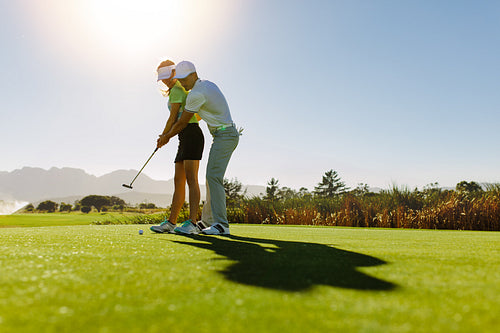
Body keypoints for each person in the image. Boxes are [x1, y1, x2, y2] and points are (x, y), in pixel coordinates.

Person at [157, 61, 239, 235]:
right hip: (222, 134)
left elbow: (182, 122)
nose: (182, 83)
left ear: (193, 75)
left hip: (225, 135)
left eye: (184, 79)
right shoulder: (207, 85)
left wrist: (165, 137)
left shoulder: (196, 93)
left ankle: (221, 225)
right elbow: (200, 114)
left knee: (213, 177)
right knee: (211, 178)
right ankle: (207, 222)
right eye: (179, 79)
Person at [150, 60, 205, 234]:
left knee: (191, 180)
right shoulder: (178, 90)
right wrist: (165, 136)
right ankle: (171, 223)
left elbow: (173, 118)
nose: (165, 80)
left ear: (174, 73)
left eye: (167, 76)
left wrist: (164, 136)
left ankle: (193, 223)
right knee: (178, 182)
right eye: (162, 78)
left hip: (192, 135)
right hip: (183, 136)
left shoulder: (177, 89)